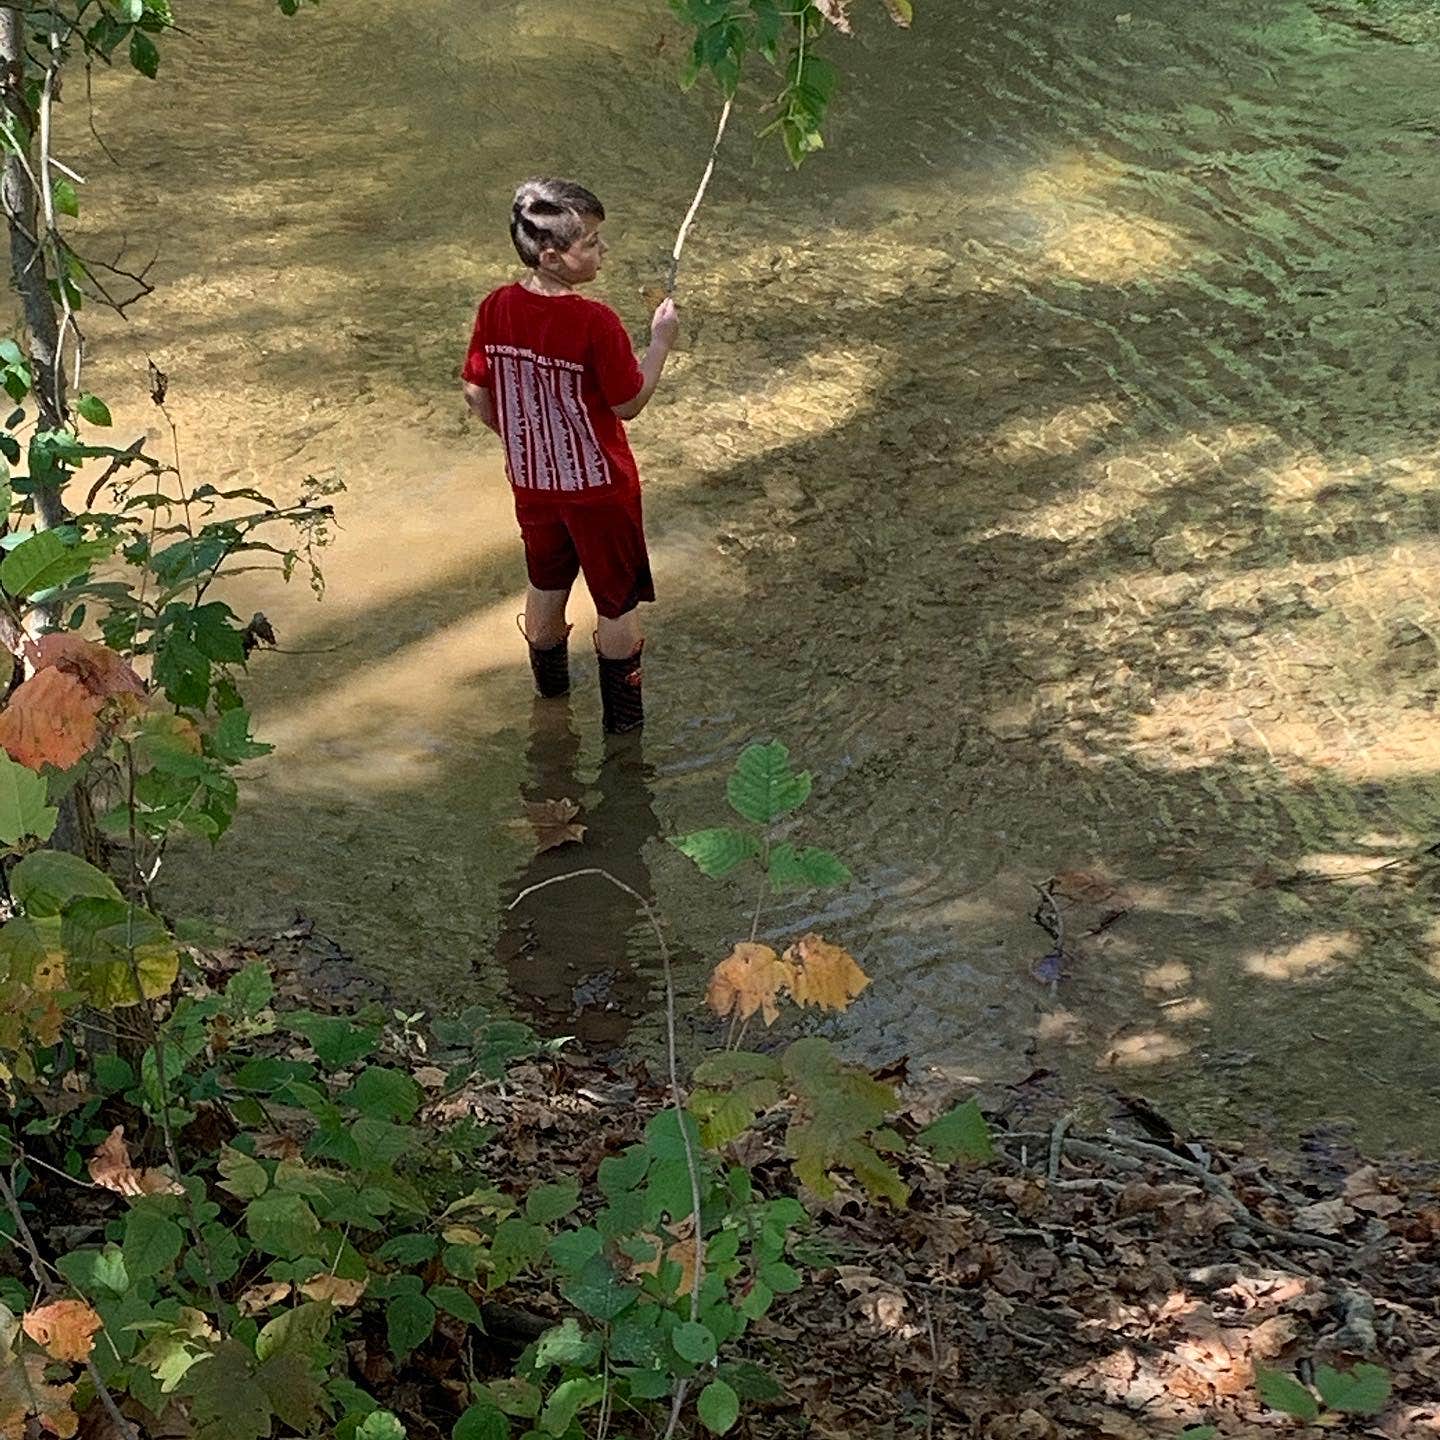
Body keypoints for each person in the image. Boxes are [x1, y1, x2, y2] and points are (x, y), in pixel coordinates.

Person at [462, 178, 679, 733]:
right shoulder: (595, 322)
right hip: (600, 490)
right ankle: (624, 733)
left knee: (545, 584)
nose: (603, 250)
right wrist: (660, 342)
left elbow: (477, 395)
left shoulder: (495, 308)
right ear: (553, 256)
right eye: (592, 243)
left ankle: (551, 705)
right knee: (615, 603)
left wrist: (520, 441)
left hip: (533, 485)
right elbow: (628, 402)